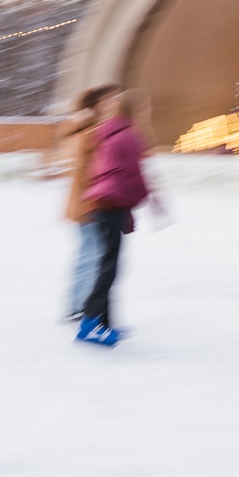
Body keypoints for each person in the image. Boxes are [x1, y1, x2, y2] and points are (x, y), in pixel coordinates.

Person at [76, 89, 150, 347]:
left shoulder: (108, 131)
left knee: (107, 263)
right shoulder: (129, 135)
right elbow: (134, 174)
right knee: (109, 267)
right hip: (112, 204)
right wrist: (144, 198)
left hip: (103, 202)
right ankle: (89, 322)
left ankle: (105, 323)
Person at [62, 84, 121, 321]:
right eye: (108, 100)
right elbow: (89, 168)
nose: (112, 104)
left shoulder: (88, 128)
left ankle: (81, 304)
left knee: (91, 254)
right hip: (91, 202)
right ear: (96, 104)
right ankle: (80, 306)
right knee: (91, 255)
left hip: (91, 200)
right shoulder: (89, 130)